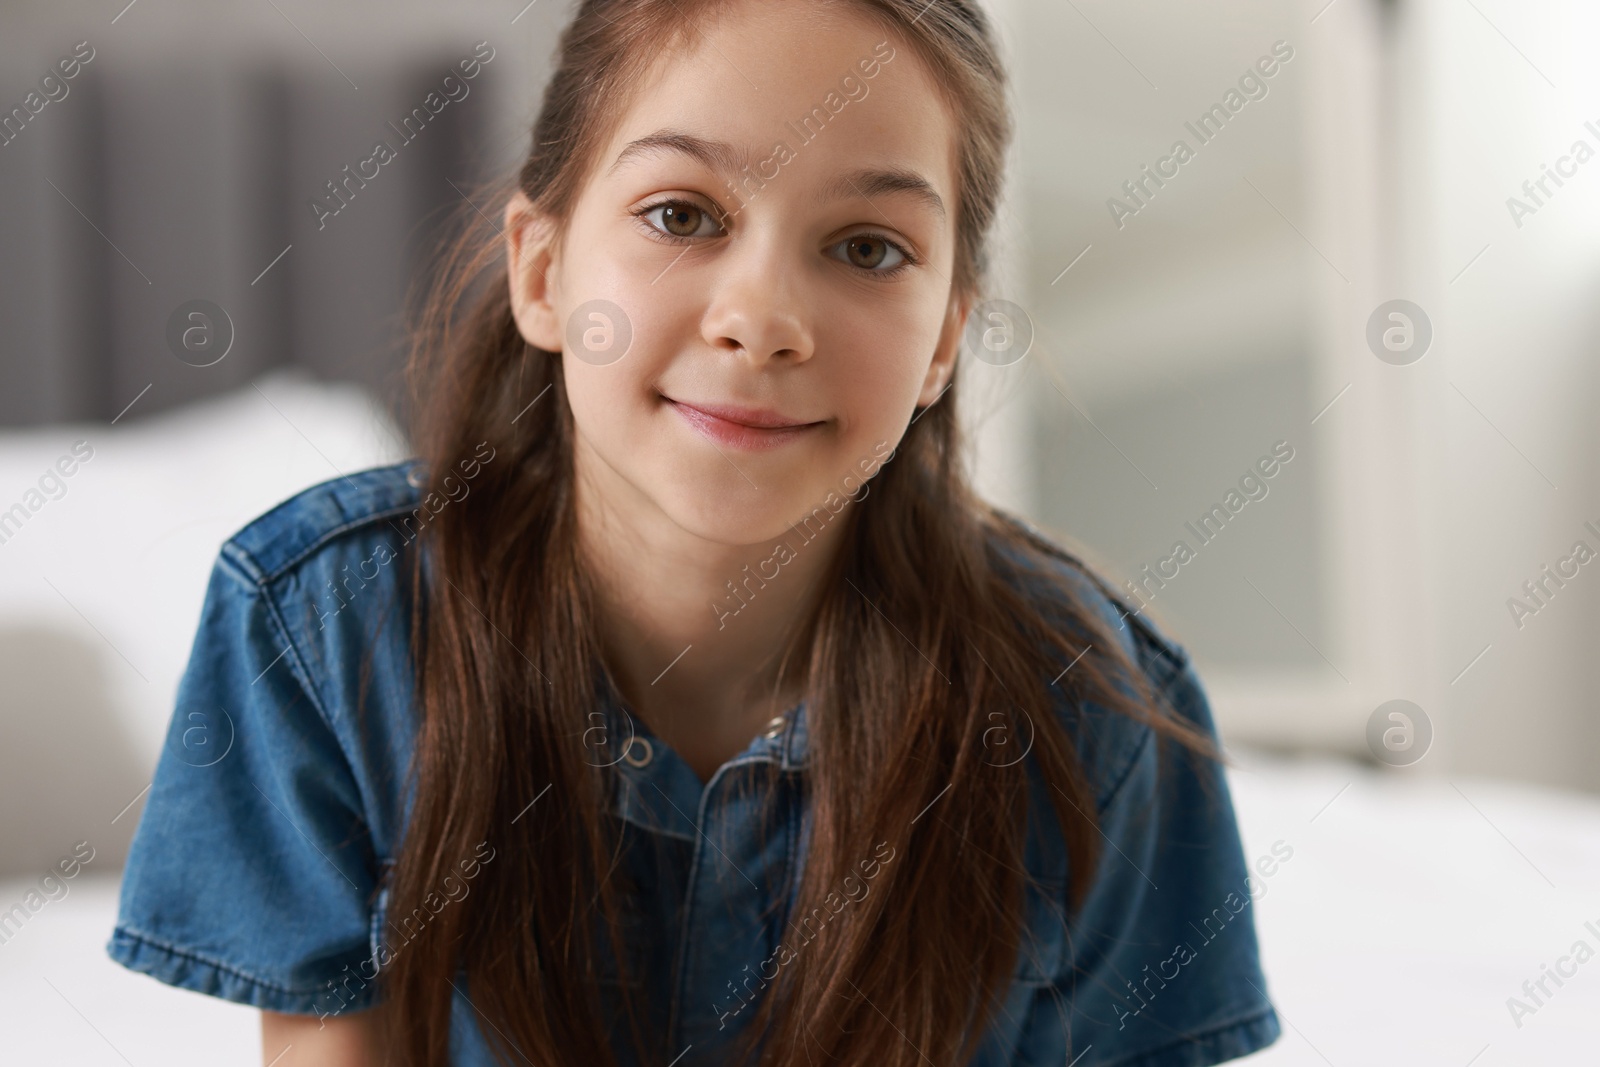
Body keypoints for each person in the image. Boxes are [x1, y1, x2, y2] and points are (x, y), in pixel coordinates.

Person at [107, 1, 1281, 1064]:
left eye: (868, 247)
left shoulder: (1098, 706)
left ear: (942, 340)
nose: (761, 319)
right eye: (681, 214)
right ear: (544, 271)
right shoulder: (317, 629)